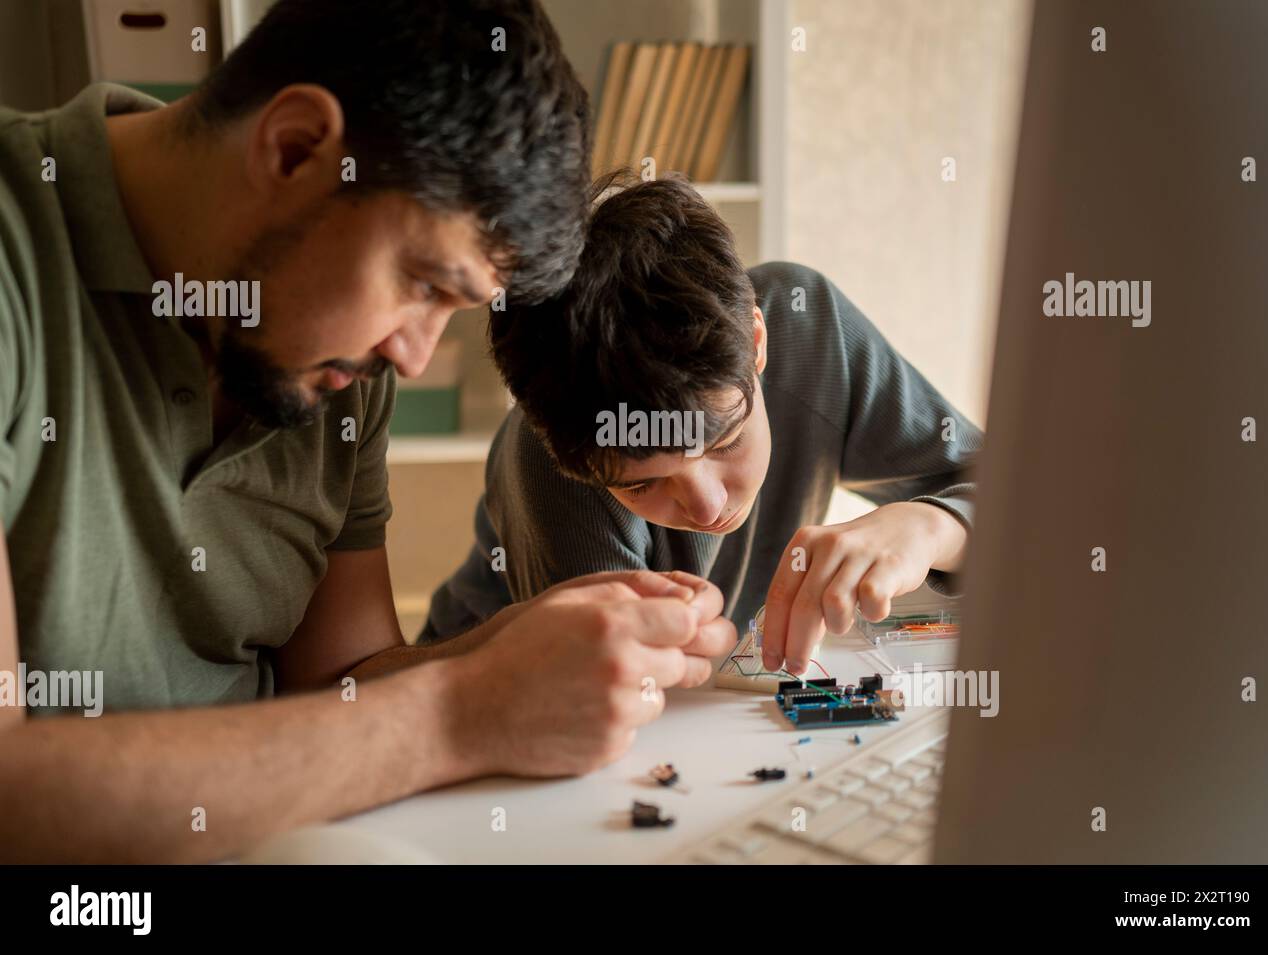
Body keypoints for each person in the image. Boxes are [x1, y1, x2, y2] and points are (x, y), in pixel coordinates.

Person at [0, 0, 732, 863]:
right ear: (297, 147)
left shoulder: (337, 371)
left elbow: (338, 686)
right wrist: (464, 713)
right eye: (424, 282)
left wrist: (519, 646)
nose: (414, 355)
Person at [424, 175, 982, 675]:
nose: (709, 509)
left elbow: (1033, 505)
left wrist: (933, 525)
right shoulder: (552, 457)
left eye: (726, 439)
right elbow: (613, 694)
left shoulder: (810, 325)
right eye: (640, 485)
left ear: (758, 341)